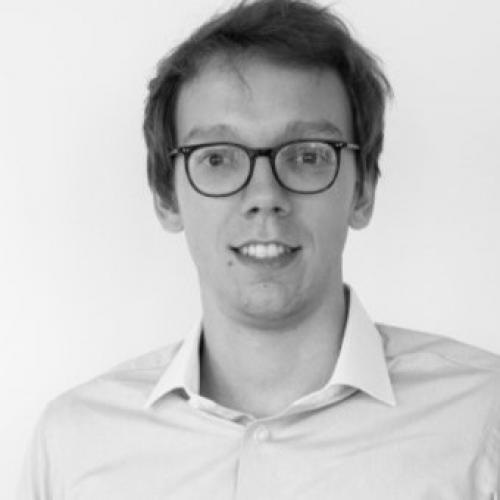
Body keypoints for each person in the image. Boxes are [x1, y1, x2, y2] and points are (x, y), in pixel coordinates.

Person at [18, 0, 500, 498]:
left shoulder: (484, 422)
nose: (265, 196)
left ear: (363, 191)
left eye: (308, 156)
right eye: (217, 158)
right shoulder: (74, 447)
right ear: (166, 196)